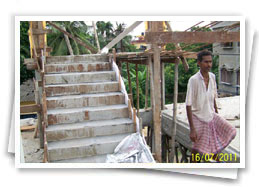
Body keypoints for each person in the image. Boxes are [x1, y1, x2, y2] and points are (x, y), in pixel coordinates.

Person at [185, 50, 236, 163]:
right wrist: (192, 129)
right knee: (197, 148)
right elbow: (188, 105)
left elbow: (213, 97)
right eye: (206, 62)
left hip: (211, 114)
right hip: (198, 116)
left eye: (210, 62)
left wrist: (217, 115)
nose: (209, 65)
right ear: (198, 63)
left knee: (231, 130)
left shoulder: (212, 77)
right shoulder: (193, 80)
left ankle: (216, 160)